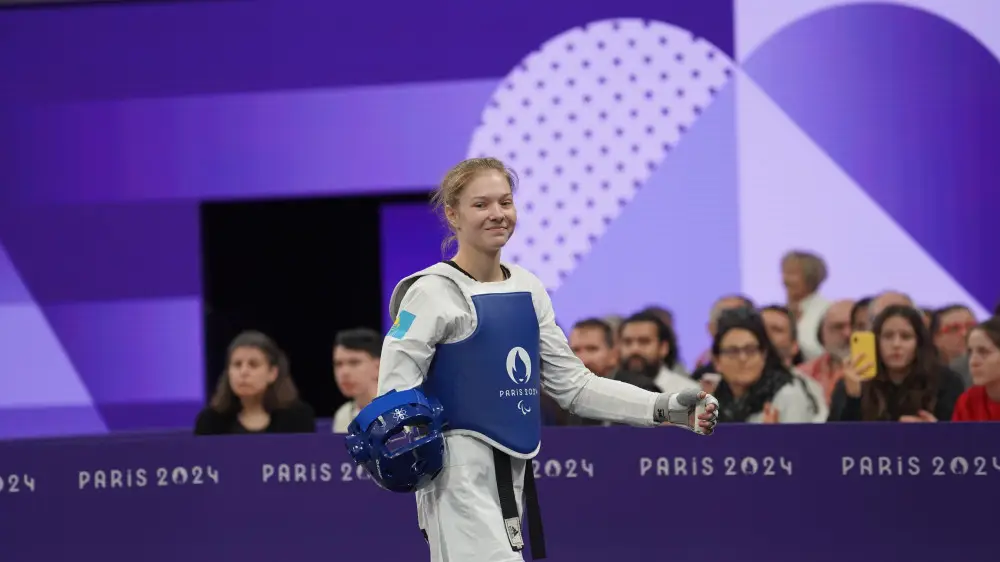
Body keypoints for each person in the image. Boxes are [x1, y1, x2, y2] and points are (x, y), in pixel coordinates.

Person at [367, 157, 718, 562]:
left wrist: (664, 407)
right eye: (481, 204)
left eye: (505, 202)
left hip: (514, 469)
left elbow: (575, 386)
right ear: (453, 214)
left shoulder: (528, 287)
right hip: (456, 476)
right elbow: (393, 396)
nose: (497, 213)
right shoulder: (431, 292)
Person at [194, 330, 315, 435]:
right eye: (237, 364)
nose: (243, 372)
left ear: (272, 373)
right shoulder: (210, 421)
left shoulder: (297, 417)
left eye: (253, 364)